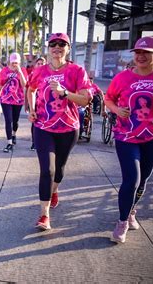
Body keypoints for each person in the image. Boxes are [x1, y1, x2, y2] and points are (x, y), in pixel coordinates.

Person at [27, 33, 92, 231]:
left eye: (62, 44)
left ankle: (54, 191)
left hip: (68, 127)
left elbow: (85, 100)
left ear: (68, 48)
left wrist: (65, 93)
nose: (57, 47)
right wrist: (31, 109)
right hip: (43, 127)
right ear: (48, 48)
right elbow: (30, 89)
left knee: (60, 168)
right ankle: (44, 215)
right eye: (53, 44)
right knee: (47, 170)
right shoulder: (40, 71)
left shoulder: (77, 70)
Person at [104, 36, 153, 244]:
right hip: (126, 136)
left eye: (146, 52)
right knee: (132, 179)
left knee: (144, 180)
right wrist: (117, 110)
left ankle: (131, 212)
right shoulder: (122, 77)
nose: (141, 56)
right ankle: (122, 222)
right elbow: (108, 97)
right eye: (138, 52)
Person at [0, 52, 27, 153]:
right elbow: (0, 84)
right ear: (10, 61)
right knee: (8, 120)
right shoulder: (5, 70)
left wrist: (20, 72)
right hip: (5, 99)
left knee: (15, 121)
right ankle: (9, 142)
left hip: (18, 99)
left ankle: (14, 134)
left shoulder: (22, 70)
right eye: (13, 62)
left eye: (16, 62)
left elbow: (24, 84)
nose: (14, 64)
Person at [25, 57, 45, 150]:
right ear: (35, 65)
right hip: (34, 103)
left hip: (44, 104)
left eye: (42, 63)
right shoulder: (32, 74)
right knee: (34, 123)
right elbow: (28, 90)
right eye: (39, 63)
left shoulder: (48, 74)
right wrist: (27, 105)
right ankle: (34, 142)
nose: (40, 65)